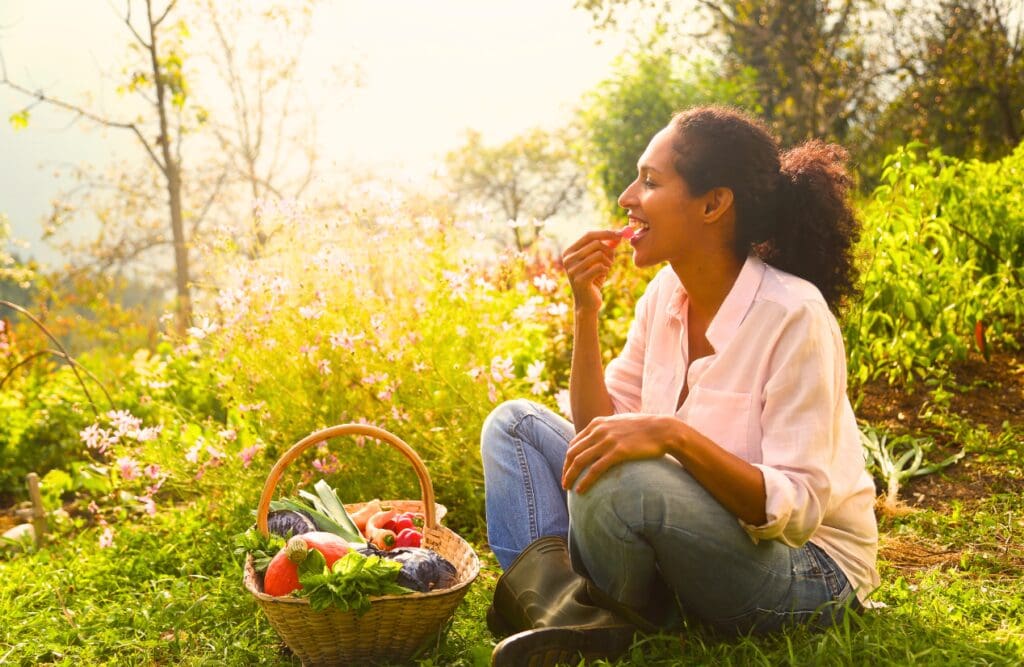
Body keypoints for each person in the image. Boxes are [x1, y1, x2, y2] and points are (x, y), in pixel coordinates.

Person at [481, 105, 880, 664]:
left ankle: (586, 608)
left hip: (805, 568)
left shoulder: (794, 316)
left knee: (622, 481)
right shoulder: (665, 295)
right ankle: (571, 616)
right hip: (689, 536)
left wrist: (673, 436)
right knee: (514, 425)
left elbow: (800, 509)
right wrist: (585, 313)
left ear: (714, 204)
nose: (627, 197)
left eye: (650, 181)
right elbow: (597, 430)